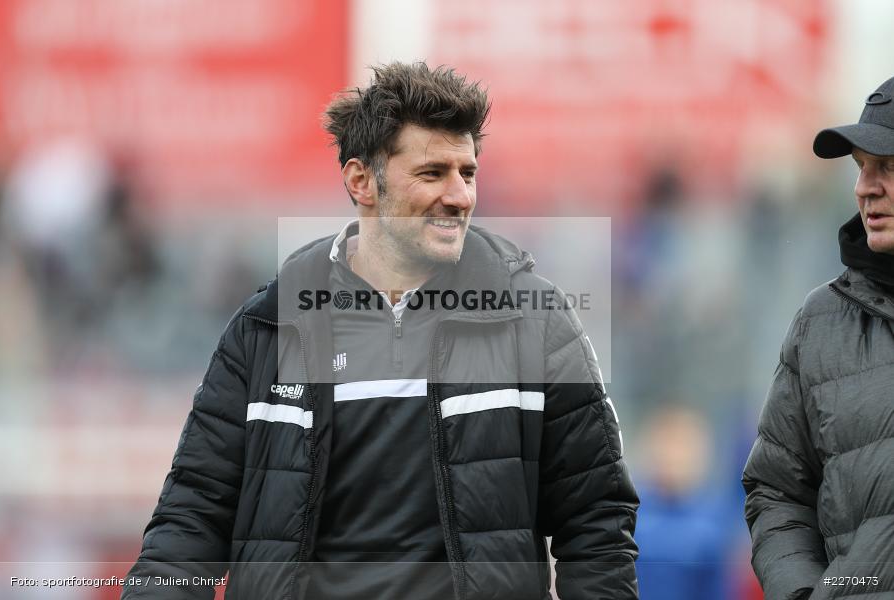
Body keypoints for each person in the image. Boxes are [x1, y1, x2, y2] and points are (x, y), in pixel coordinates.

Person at [122, 62, 639, 600]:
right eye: (433, 173)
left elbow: (597, 520)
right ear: (361, 181)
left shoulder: (536, 319)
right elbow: (191, 519)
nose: (460, 195)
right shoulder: (269, 326)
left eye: (468, 172)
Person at [743, 76, 894, 600]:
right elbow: (777, 490)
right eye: (861, 168)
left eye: (888, 167)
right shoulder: (820, 320)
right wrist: (812, 592)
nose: (864, 187)